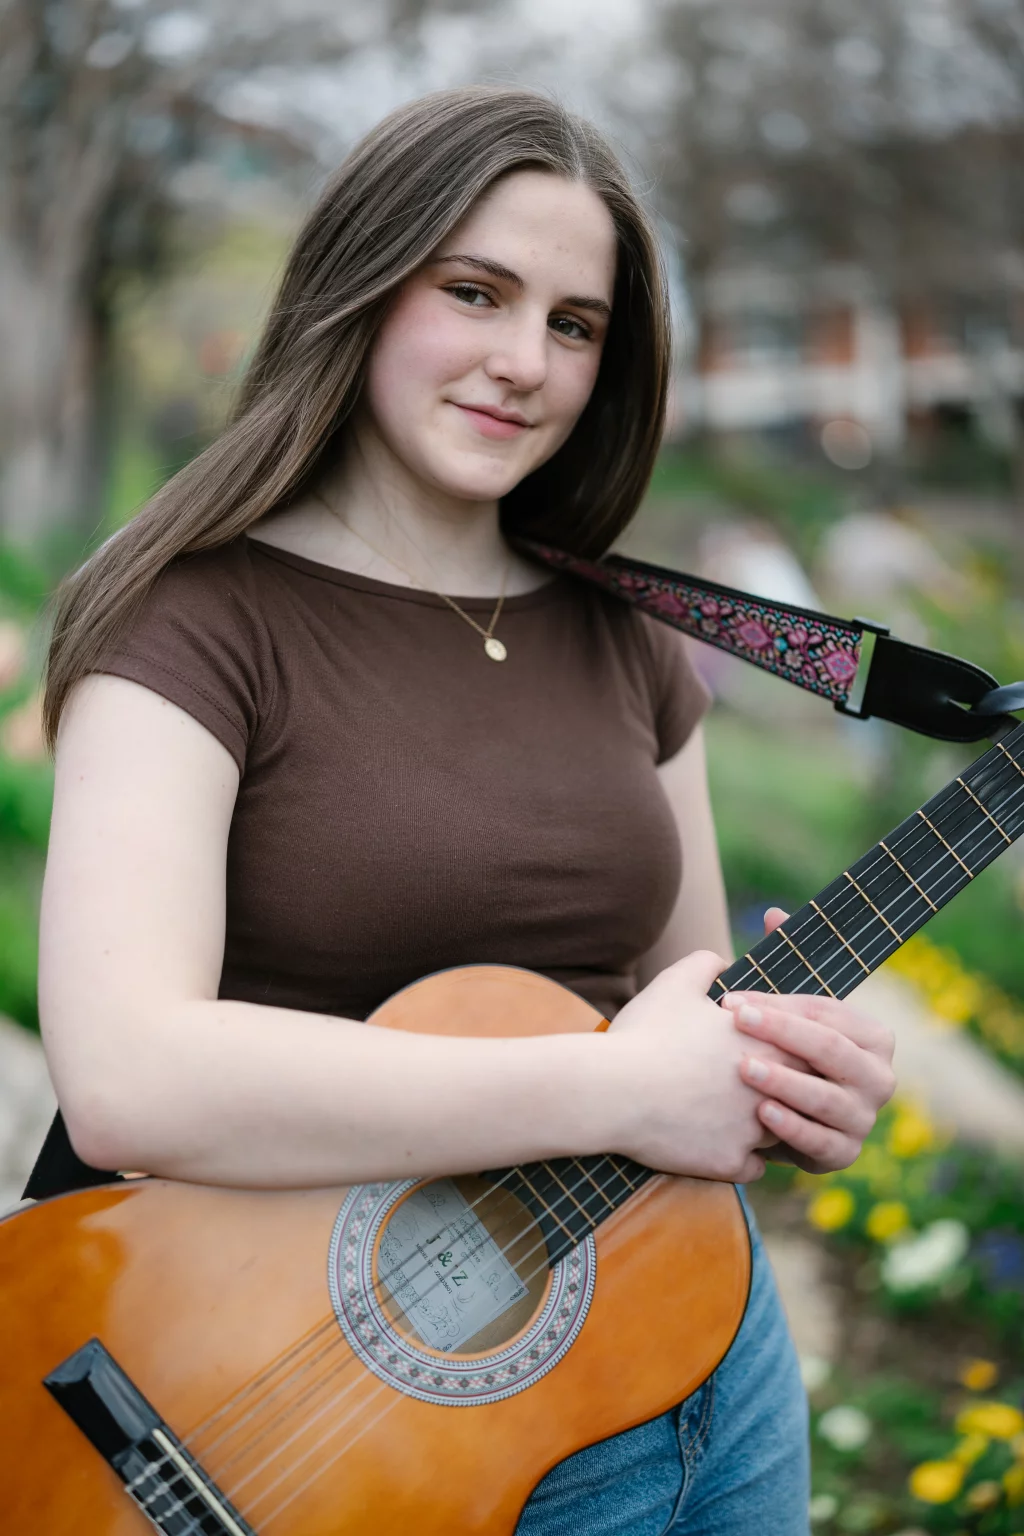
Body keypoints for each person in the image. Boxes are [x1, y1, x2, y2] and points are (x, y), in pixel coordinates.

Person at [36, 86, 894, 1534]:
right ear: (362, 287)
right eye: (476, 293)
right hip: (328, 1426)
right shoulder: (196, 620)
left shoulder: (632, 631)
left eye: (573, 323)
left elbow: (679, 1006)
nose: (523, 363)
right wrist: (616, 1088)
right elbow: (130, 1074)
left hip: (697, 1366)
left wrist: (789, 1081)